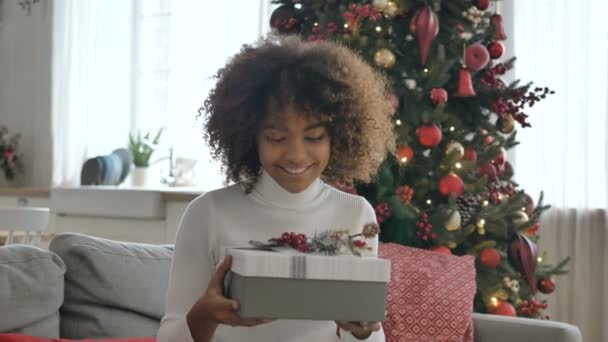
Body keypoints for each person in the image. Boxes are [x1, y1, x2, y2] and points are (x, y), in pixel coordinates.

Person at [157, 35, 396, 342]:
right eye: (276, 138)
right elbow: (169, 336)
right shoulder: (208, 213)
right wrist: (204, 316)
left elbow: (365, 331)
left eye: (313, 137)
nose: (296, 155)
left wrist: (364, 333)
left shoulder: (356, 213)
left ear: (338, 137)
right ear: (250, 136)